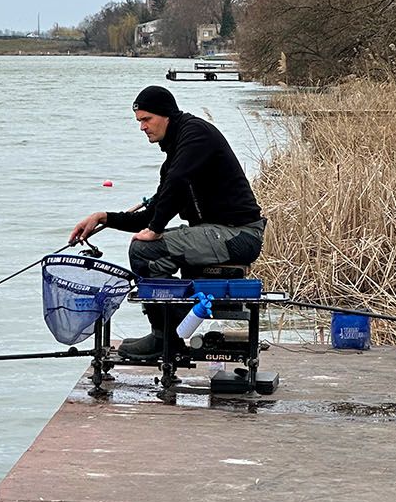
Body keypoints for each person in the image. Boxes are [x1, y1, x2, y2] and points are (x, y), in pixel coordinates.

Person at [69, 85, 266, 355]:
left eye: (147, 119)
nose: (142, 127)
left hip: (240, 235)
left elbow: (176, 182)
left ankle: (164, 339)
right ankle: (170, 333)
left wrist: (156, 230)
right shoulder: (176, 154)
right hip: (216, 233)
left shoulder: (195, 134)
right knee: (146, 246)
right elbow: (152, 215)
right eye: (139, 121)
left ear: (166, 115)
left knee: (145, 248)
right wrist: (103, 218)